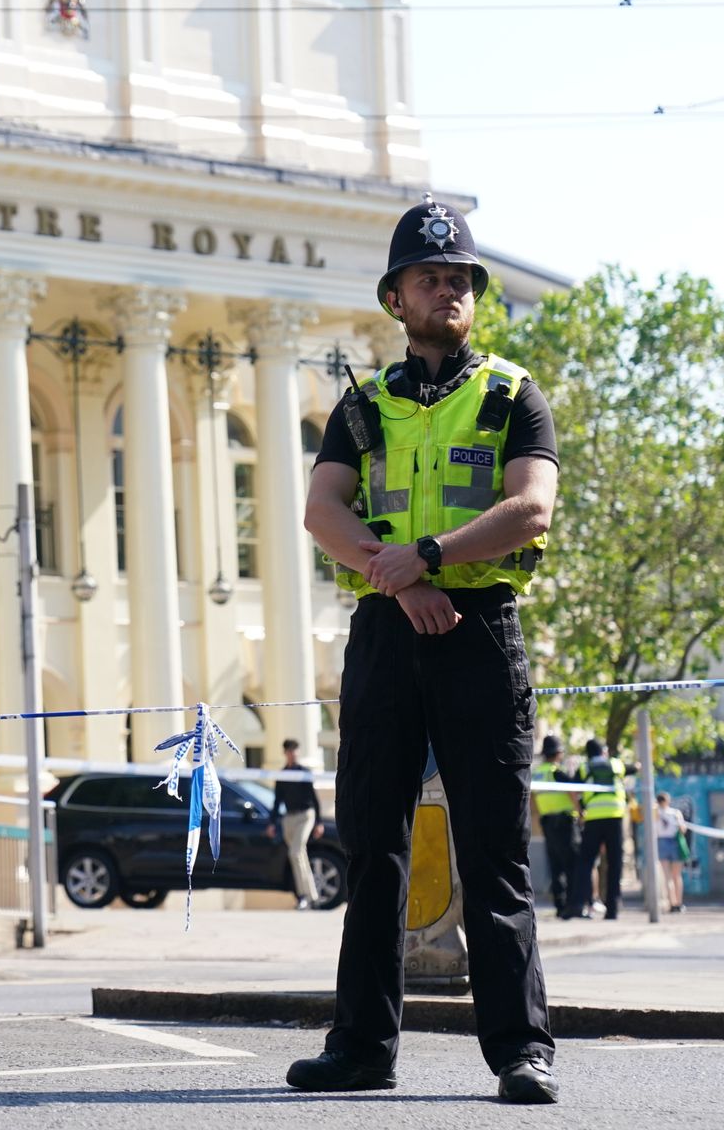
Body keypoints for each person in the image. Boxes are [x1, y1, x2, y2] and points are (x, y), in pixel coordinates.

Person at [292, 195, 561, 1105]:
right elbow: (321, 511)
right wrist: (400, 579)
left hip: (479, 631)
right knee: (374, 844)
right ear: (396, 298)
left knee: (493, 848)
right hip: (386, 633)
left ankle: (522, 1050)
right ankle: (361, 1047)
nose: (446, 289)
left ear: (473, 297)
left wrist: (435, 558)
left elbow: (532, 507)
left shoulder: (512, 394)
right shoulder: (362, 406)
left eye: (459, 279)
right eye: (428, 277)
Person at [569, 739, 626, 922]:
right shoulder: (616, 764)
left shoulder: (584, 768)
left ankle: (580, 904)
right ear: (604, 751)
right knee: (615, 863)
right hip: (615, 816)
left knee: (585, 862)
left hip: (593, 818)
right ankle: (613, 909)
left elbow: (573, 789)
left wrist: (580, 811)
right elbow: (630, 770)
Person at [267, 738, 326, 909]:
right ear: (285, 753)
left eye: (295, 750)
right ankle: (309, 896)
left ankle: (304, 895)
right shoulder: (282, 774)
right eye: (289, 750)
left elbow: (314, 798)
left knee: (295, 852)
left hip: (305, 816)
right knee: (298, 856)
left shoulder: (304, 772)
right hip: (289, 819)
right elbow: (277, 801)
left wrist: (319, 822)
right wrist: (272, 822)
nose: (292, 753)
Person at [532, 737, 577, 918]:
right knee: (571, 864)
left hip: (547, 822)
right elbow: (573, 791)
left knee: (555, 864)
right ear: (558, 753)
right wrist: (580, 812)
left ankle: (559, 906)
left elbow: (533, 799)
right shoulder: (557, 772)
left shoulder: (537, 773)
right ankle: (571, 906)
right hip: (564, 821)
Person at [654, 793, 687, 914]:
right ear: (667, 801)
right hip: (675, 842)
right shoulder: (675, 813)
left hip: (661, 842)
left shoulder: (656, 813)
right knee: (677, 876)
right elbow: (683, 830)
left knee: (667, 877)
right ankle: (679, 903)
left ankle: (671, 903)